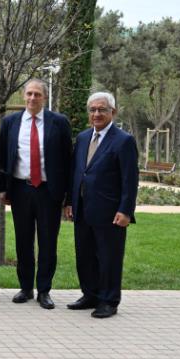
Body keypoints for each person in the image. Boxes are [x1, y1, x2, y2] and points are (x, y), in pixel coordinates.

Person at [0, 79, 72, 309]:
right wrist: (4, 189)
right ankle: (26, 287)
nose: (32, 98)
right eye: (29, 94)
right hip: (21, 189)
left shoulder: (59, 123)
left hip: (49, 191)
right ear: (23, 95)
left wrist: (67, 197)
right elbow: (3, 158)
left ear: (44, 97)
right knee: (23, 241)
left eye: (37, 94)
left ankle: (44, 290)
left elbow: (68, 160)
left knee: (48, 242)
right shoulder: (10, 123)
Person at [65, 92, 138, 318]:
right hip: (82, 208)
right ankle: (90, 295)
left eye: (102, 110)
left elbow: (130, 179)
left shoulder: (123, 140)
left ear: (113, 112)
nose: (96, 114)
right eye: (93, 110)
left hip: (110, 212)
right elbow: (76, 173)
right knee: (84, 255)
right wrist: (69, 202)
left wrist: (126, 210)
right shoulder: (84, 137)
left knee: (109, 258)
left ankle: (109, 301)